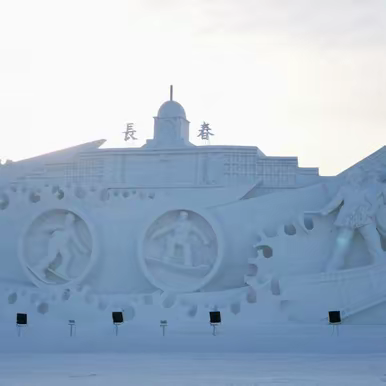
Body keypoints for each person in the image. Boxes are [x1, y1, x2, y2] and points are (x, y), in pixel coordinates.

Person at [316, 168, 386, 271]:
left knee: (373, 240)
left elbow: (373, 202)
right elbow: (335, 202)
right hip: (347, 219)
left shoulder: (366, 189)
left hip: (364, 218)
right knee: (342, 244)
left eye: (359, 176)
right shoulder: (345, 189)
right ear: (350, 178)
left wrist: (371, 211)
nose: (357, 178)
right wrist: (324, 210)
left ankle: (379, 261)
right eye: (354, 176)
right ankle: (334, 266)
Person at [35, 213, 89, 278]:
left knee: (68, 256)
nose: (69, 221)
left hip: (62, 245)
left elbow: (76, 240)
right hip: (55, 242)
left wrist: (83, 249)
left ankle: (61, 270)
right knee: (51, 256)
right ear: (66, 219)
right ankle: (38, 268)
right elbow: (48, 228)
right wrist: (52, 231)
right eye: (68, 219)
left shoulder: (72, 229)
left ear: (73, 221)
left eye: (71, 220)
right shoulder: (61, 226)